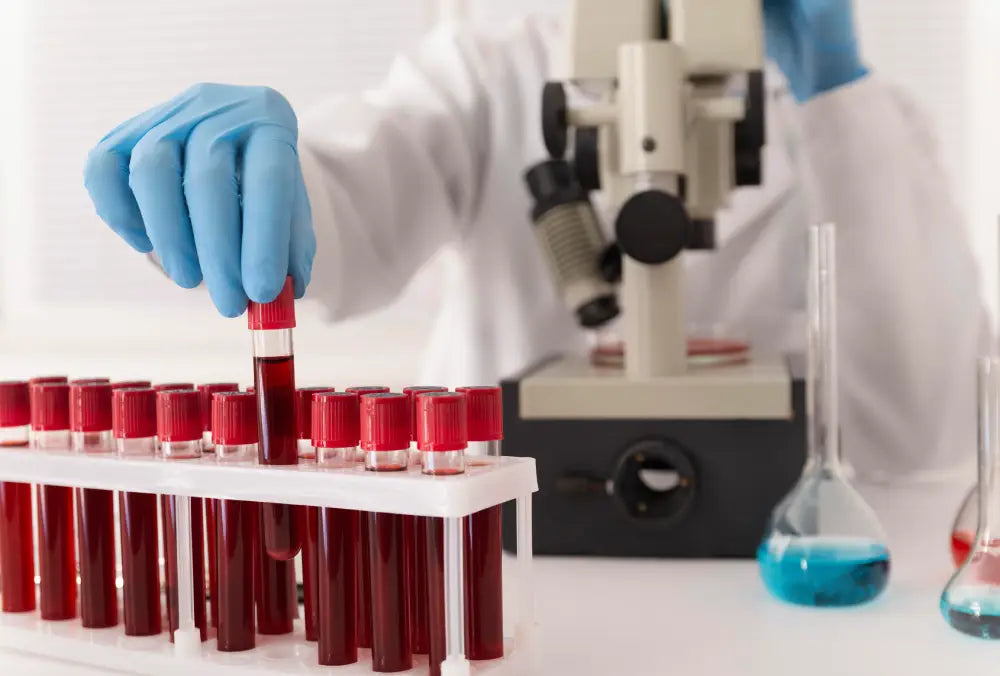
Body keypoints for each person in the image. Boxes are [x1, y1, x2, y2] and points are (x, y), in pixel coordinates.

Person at [83, 1, 988, 481]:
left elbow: (925, 430)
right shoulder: (490, 72)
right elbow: (355, 187)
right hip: (512, 563)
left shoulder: (858, 118)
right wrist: (266, 182)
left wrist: (839, 89)